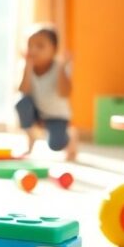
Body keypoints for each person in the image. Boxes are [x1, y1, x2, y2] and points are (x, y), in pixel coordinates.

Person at [17, 24, 76, 161]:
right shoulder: (26, 66)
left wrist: (62, 67)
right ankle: (31, 139)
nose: (33, 50)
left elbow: (65, 93)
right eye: (30, 45)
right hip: (39, 113)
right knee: (21, 102)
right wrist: (28, 68)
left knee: (56, 145)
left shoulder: (60, 67)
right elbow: (23, 91)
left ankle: (71, 135)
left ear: (54, 49)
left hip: (57, 117)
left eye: (40, 46)